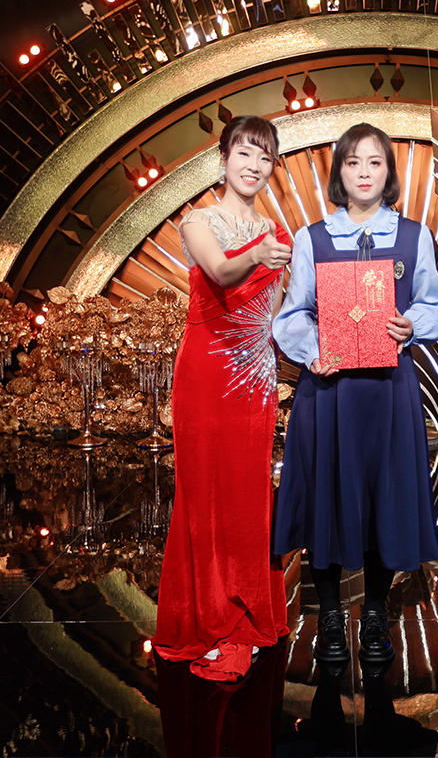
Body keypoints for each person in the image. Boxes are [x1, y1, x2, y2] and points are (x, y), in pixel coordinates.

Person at [272, 123, 438, 664]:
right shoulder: (312, 238)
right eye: (353, 163)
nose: (364, 173)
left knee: (383, 500)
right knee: (326, 496)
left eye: (375, 162)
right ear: (340, 173)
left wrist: (411, 325)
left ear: (389, 172)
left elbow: (436, 307)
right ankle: (329, 613)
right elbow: (292, 315)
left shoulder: (414, 236)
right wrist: (313, 350)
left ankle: (375, 610)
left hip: (389, 390)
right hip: (329, 390)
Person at [153, 115, 294, 682]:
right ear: (223, 160)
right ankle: (207, 620)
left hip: (255, 375)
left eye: (264, 156)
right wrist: (259, 255)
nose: (254, 165)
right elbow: (219, 270)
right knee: (203, 493)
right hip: (206, 372)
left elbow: (274, 315)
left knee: (248, 493)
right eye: (244, 152)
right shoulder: (198, 221)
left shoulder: (278, 237)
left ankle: (244, 617)